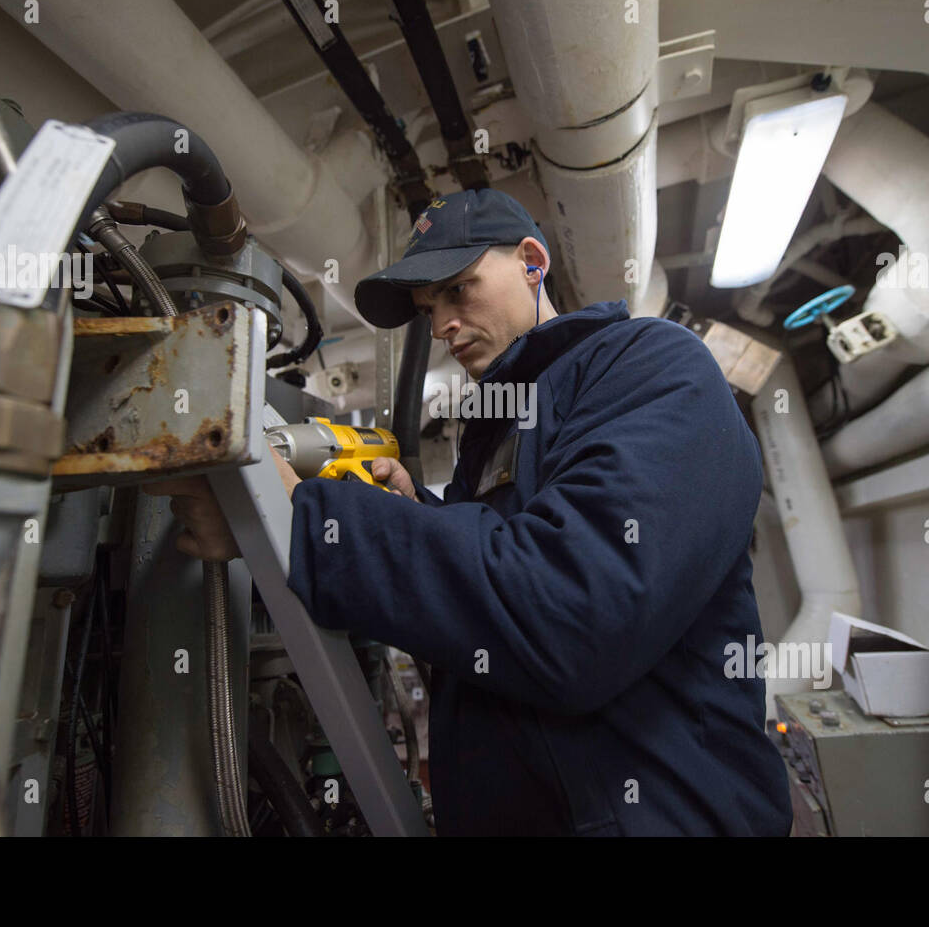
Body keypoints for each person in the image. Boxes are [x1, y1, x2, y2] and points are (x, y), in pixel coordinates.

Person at [146, 188, 792, 836]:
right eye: (430, 309)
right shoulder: (497, 432)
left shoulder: (651, 366)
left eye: (458, 290)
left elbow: (571, 608)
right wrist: (415, 510)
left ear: (533, 263)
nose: (441, 326)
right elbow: (494, 578)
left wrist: (305, 521)